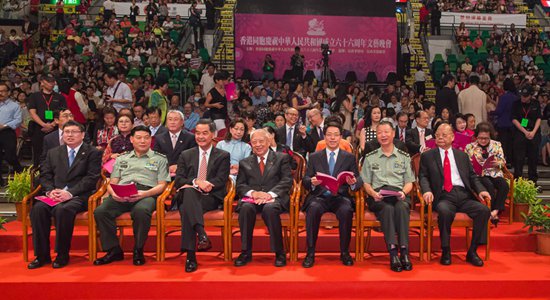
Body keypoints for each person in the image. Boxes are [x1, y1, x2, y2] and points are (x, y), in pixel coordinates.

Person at [28, 121, 101, 269]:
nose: (70, 135)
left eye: (74, 132)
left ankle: (62, 254)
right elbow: (45, 175)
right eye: (67, 132)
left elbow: (91, 178)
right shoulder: (53, 152)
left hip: (79, 196)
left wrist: (70, 192)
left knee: (62, 210)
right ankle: (42, 255)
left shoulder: (92, 152)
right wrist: (50, 190)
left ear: (82, 135)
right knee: (38, 209)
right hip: (54, 194)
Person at [94, 126, 170, 266]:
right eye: (139, 138)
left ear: (150, 140)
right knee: (100, 211)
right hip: (122, 192)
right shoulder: (122, 158)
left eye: (146, 138)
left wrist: (145, 193)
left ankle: (138, 249)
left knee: (141, 211)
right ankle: (114, 250)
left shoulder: (160, 159)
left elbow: (163, 185)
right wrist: (113, 193)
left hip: (147, 193)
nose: (142, 141)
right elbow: (112, 182)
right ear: (132, 139)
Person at [419, 123, 491, 267]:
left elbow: (472, 176)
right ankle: (446, 250)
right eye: (437, 135)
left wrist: (481, 190)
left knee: (483, 210)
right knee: (445, 212)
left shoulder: (462, 155)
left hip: (463, 195)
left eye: (444, 135)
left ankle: (472, 251)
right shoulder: (428, 155)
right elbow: (423, 176)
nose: (440, 137)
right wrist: (426, 190)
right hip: (444, 195)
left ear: (452, 137)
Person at [302, 122, 362, 268]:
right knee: (313, 209)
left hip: (340, 197)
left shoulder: (348, 157)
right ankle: (310, 253)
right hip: (319, 196)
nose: (332, 138)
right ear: (324, 137)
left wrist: (353, 182)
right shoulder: (315, 156)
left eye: (336, 135)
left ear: (341, 137)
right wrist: (312, 182)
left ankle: (345, 252)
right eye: (329, 135)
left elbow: (358, 180)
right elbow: (305, 179)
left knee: (346, 210)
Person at [174, 119, 230, 272]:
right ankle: (201, 234)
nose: (200, 136)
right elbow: (179, 179)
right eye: (197, 133)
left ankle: (191, 256)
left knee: (187, 207)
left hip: (209, 197)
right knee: (189, 192)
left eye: (205, 133)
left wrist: (207, 185)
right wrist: (196, 182)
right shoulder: (186, 154)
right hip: (189, 193)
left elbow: (221, 179)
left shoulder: (223, 155)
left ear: (213, 134)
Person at [234, 128, 293, 267]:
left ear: (268, 142)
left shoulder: (281, 158)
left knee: (270, 209)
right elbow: (240, 185)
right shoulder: (245, 162)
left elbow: (286, 181)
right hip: (252, 199)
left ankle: (279, 252)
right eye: (254, 142)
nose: (258, 144)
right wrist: (253, 193)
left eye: (261, 141)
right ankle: (245, 252)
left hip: (274, 198)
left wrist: (269, 195)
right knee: (246, 208)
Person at [362, 121, 414, 272]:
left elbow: (410, 182)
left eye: (386, 132)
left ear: (393, 134)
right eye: (379, 133)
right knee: (388, 209)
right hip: (379, 197)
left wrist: (404, 193)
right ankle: (393, 253)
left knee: (402, 207)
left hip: (399, 195)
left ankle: (404, 252)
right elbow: (365, 182)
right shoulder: (370, 157)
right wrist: (373, 194)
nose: (383, 135)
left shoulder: (403, 156)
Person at [465, 122, 509, 227]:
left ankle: (494, 212)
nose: (483, 140)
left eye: (486, 138)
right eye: (480, 138)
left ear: (490, 136)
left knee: (504, 185)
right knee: (488, 185)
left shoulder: (496, 145)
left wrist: (498, 163)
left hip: (494, 172)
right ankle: (492, 213)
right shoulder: (470, 147)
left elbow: (503, 161)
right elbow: (466, 163)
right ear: (476, 137)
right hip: (479, 175)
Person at [27, 74, 67, 167]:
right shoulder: (34, 96)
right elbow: (32, 112)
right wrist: (43, 125)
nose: (52, 84)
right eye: (49, 82)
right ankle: (38, 173)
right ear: (42, 83)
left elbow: (63, 112)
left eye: (53, 82)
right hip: (38, 128)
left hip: (55, 128)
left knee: (55, 152)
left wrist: (52, 124)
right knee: (38, 152)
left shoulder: (60, 97)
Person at [511, 85, 541, 184]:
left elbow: (538, 118)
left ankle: (533, 181)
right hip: (520, 133)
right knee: (519, 158)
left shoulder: (536, 103)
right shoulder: (516, 104)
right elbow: (514, 119)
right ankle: (518, 181)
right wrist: (525, 131)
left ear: (530, 95)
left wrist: (533, 132)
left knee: (533, 158)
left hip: (533, 133)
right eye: (522, 96)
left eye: (526, 96)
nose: (523, 98)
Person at [153, 110, 197, 178]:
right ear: (166, 122)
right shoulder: (159, 138)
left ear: (182, 122)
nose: (172, 122)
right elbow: (155, 158)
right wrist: (167, 167)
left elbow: (193, 158)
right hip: (163, 173)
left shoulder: (190, 137)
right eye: (170, 119)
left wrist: (178, 166)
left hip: (184, 174)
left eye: (175, 119)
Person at [0, 82, 22, 186]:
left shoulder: (14, 105)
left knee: (10, 156)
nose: (0, 93)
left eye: (3, 91)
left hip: (7, 132)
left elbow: (18, 120)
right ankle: (1, 182)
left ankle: (20, 173)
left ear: (8, 92)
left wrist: (4, 126)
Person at [491, 78, 518, 163]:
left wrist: (490, 112)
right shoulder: (516, 97)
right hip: (514, 125)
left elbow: (499, 111)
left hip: (503, 124)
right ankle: (511, 161)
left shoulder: (503, 97)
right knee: (511, 144)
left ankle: (503, 161)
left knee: (503, 144)